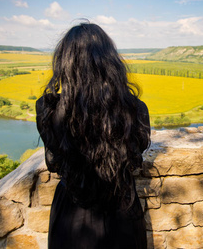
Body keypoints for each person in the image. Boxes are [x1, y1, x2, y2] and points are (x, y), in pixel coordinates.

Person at [36, 23, 150, 249]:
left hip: (71, 216)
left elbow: (55, 162)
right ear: (110, 62)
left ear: (65, 62)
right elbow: (137, 155)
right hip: (122, 213)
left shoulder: (47, 110)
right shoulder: (135, 109)